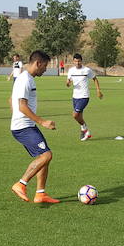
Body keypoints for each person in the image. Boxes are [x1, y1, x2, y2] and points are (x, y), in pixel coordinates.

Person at [10, 50, 59, 204]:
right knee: (47, 155)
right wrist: (42, 121)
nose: (45, 69)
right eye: (45, 66)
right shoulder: (25, 79)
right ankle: (21, 184)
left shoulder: (25, 78)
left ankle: (40, 194)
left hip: (25, 124)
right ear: (38, 63)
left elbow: (10, 100)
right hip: (24, 127)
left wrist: (16, 116)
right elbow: (22, 106)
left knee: (43, 156)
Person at [65, 53, 103, 141]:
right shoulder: (71, 71)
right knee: (79, 116)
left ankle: (85, 129)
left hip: (84, 96)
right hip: (75, 96)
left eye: (79, 61)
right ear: (73, 62)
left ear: (81, 61)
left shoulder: (87, 70)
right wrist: (67, 83)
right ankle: (84, 131)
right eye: (75, 61)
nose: (77, 63)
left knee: (75, 115)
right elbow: (68, 82)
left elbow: (95, 79)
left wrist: (98, 90)